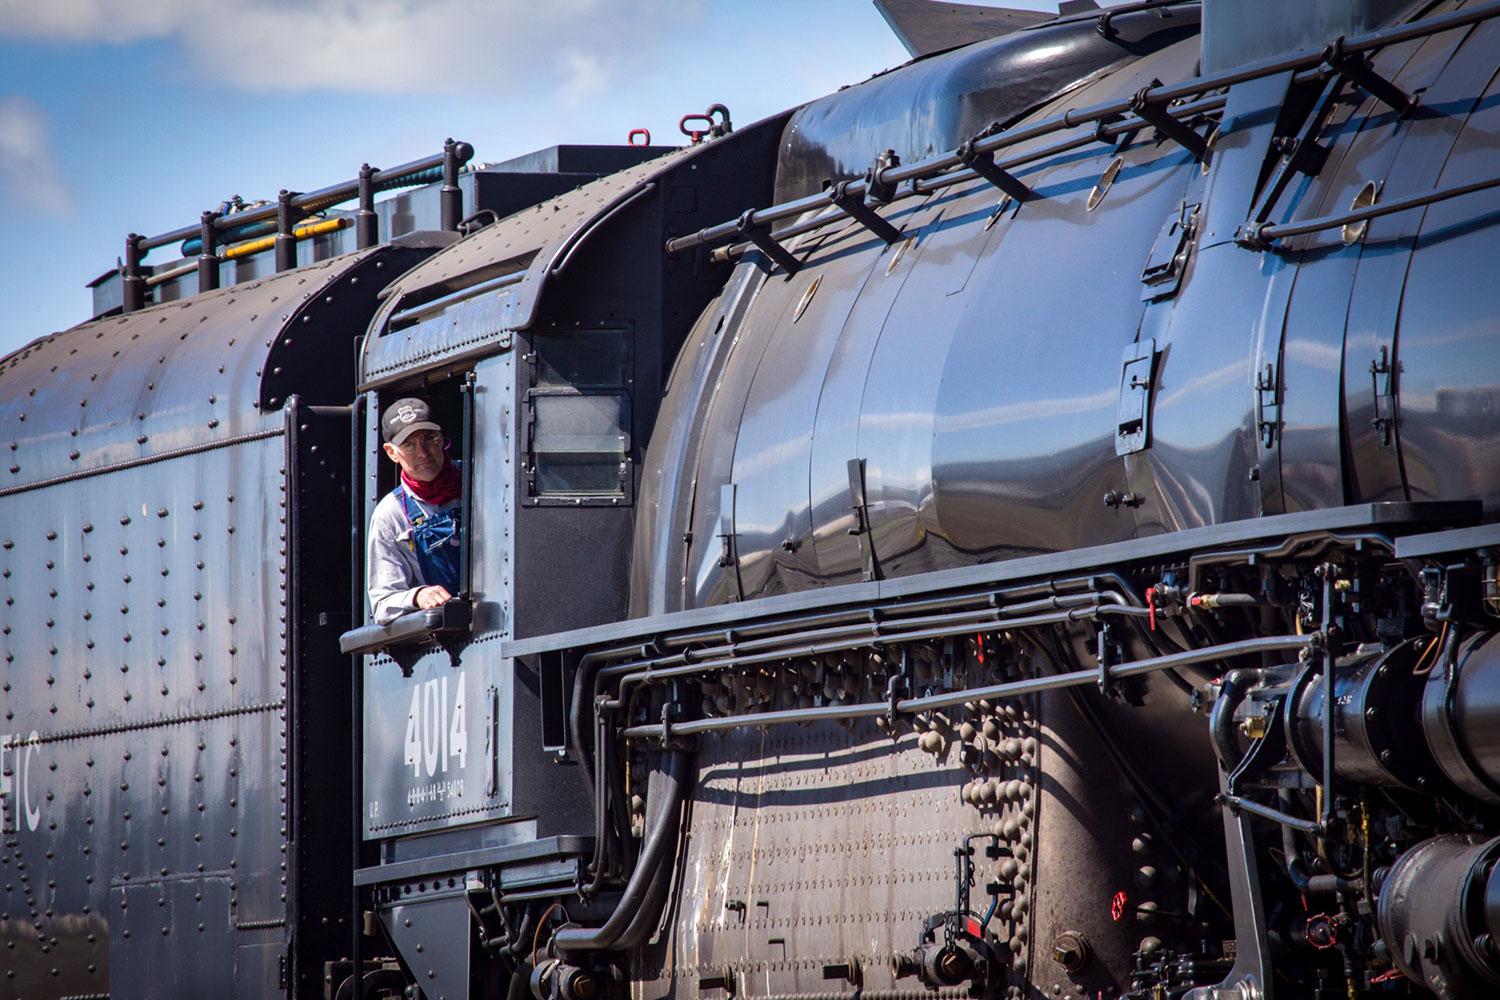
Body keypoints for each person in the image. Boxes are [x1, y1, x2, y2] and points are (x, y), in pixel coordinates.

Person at [368, 397, 463, 624]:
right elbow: (382, 605)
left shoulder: (478, 478)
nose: (423, 453)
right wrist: (418, 596)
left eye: (430, 439)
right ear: (391, 453)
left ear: (441, 439)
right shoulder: (389, 515)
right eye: (409, 444)